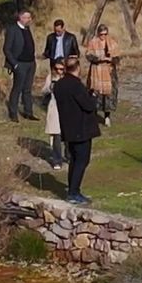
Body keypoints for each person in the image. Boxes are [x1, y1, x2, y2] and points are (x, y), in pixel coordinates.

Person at [50, 56, 101, 204]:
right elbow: (88, 106)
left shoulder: (59, 85)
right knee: (82, 161)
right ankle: (73, 192)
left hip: (68, 128)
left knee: (74, 159)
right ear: (77, 68)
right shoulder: (76, 85)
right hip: (81, 129)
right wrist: (93, 96)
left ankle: (72, 189)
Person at [3, 10, 37, 122]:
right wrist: (15, 64)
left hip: (30, 63)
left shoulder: (27, 29)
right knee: (17, 88)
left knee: (27, 89)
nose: (29, 20)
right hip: (20, 63)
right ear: (21, 18)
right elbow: (7, 49)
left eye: (30, 17)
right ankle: (13, 113)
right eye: (27, 18)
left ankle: (28, 112)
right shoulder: (12, 30)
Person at [83, 24, 120, 122]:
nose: (103, 36)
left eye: (105, 34)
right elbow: (88, 55)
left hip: (109, 72)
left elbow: (117, 58)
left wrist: (111, 59)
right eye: (101, 34)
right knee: (95, 93)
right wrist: (98, 59)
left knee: (108, 95)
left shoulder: (112, 43)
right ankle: (94, 114)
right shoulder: (93, 42)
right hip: (97, 71)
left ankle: (107, 116)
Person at [42, 59, 66, 169]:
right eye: (56, 69)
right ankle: (57, 160)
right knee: (56, 134)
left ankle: (69, 156)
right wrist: (50, 88)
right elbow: (44, 91)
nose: (59, 71)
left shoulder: (67, 78)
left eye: (61, 69)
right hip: (55, 108)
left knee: (68, 135)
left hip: (67, 109)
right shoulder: (50, 77)